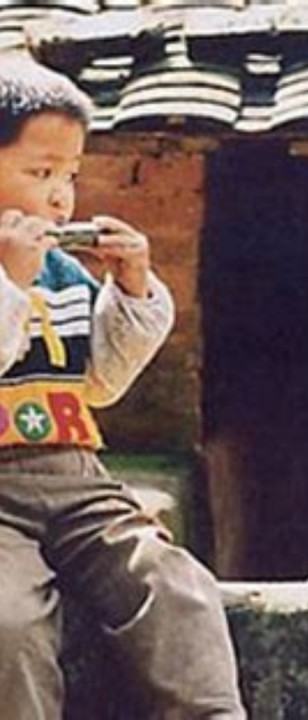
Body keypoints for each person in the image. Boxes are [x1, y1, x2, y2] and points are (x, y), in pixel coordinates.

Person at [0, 52, 247, 719]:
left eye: (71, 175)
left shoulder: (61, 272)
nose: (61, 197)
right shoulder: (24, 270)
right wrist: (10, 282)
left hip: (77, 479)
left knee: (173, 583)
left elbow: (101, 381)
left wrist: (132, 290)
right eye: (40, 173)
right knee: (9, 623)